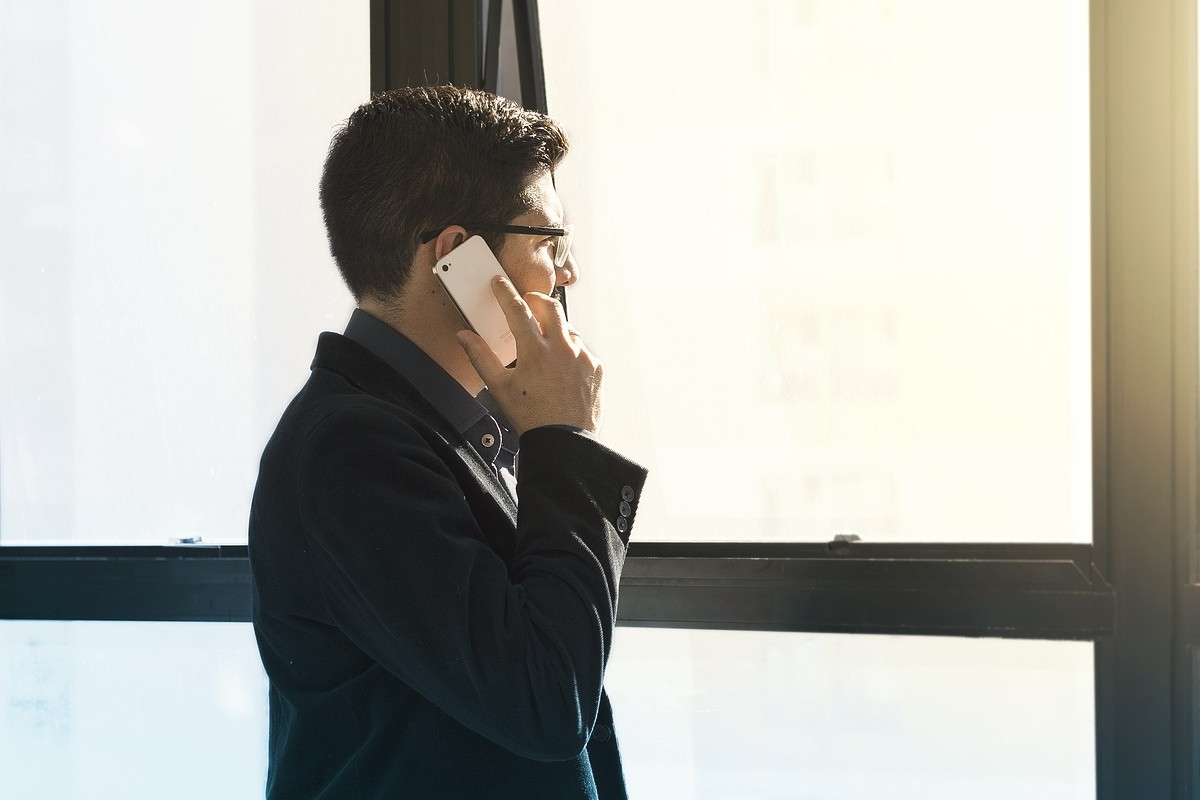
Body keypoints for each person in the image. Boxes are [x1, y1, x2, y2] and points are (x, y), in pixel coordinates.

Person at [248, 85, 647, 799]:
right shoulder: (350, 451)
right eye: (549, 241)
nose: (568, 273)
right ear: (459, 258)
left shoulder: (440, 431)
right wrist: (564, 437)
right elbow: (545, 702)